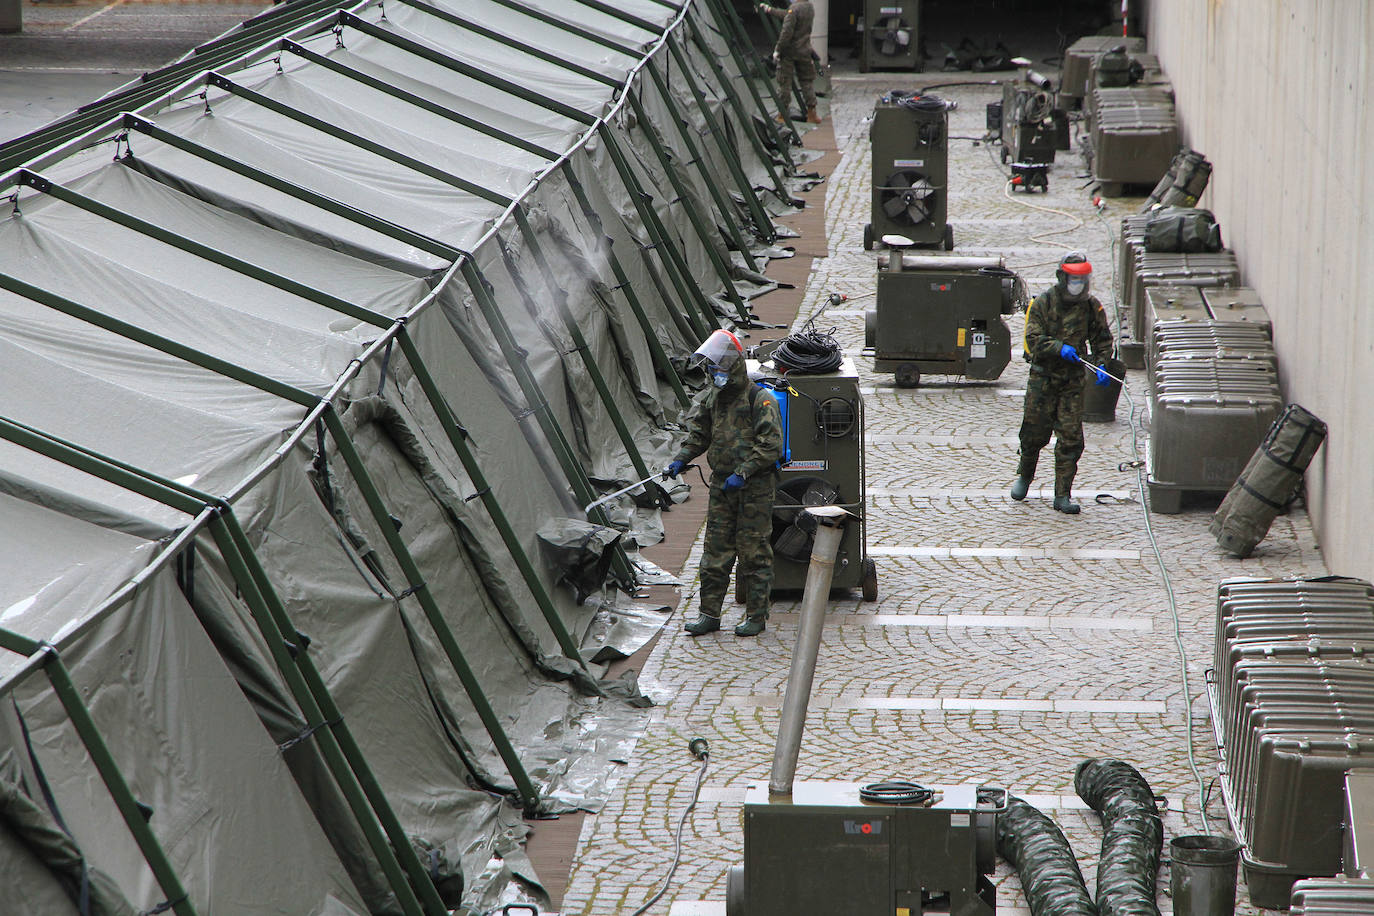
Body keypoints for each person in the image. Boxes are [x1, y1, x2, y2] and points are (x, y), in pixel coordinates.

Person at [665, 330, 784, 637]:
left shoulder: (761, 400)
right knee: (715, 553)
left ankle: (757, 616)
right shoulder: (713, 399)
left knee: (754, 552)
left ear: (731, 366)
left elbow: (771, 446)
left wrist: (743, 472)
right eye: (711, 368)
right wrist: (681, 458)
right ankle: (709, 614)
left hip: (754, 489)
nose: (713, 373)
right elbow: (699, 436)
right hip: (722, 487)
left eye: (718, 367)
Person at [1011, 253, 1114, 514]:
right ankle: (1025, 474)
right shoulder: (1043, 303)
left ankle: (1062, 494)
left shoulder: (1091, 306)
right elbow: (1033, 338)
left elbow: (1102, 339)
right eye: (1074, 279)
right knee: (1034, 432)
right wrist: (1058, 348)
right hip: (1043, 379)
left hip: (1072, 382)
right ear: (1062, 277)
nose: (1078, 284)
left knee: (1070, 438)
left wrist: (1101, 363)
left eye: (1082, 279)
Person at [759, 0, 821, 125]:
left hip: (789, 52)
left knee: (784, 82)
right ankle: (812, 113)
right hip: (805, 50)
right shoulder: (809, 7)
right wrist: (770, 10)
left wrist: (778, 49)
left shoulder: (794, 9)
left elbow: (786, 32)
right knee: (807, 81)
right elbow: (787, 14)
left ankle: (782, 113)